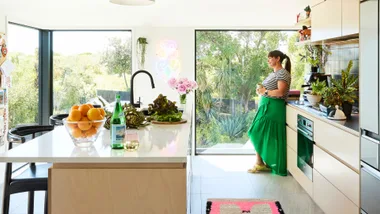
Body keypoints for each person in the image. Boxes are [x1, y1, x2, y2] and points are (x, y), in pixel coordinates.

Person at [247, 50, 291, 176]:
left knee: (256, 131)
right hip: (267, 107)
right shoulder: (275, 73)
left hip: (273, 108)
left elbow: (281, 92)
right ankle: (260, 163)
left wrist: (264, 92)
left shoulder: (282, 73)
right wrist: (261, 91)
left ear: (277, 59)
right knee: (262, 134)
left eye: (270, 58)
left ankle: (262, 163)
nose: (268, 60)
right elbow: (269, 89)